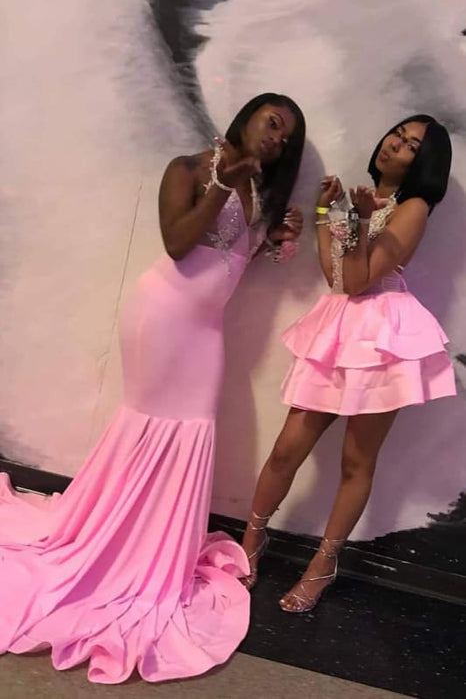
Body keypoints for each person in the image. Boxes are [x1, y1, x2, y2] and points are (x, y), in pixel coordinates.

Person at [0, 93, 305, 681]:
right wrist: (222, 183)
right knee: (149, 427)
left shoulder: (257, 190)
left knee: (192, 432)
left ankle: (151, 550)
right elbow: (178, 243)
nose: (277, 138)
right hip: (161, 318)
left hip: (205, 330)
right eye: (273, 123)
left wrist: (274, 237)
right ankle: (112, 544)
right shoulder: (188, 168)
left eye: (286, 137)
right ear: (247, 118)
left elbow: (230, 259)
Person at [241, 115, 455, 613]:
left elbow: (360, 281)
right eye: (397, 134)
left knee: (356, 462)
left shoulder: (414, 208)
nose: (395, 145)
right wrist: (325, 211)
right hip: (338, 328)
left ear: (424, 162)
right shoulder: (361, 199)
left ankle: (323, 565)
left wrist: (356, 222)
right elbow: (335, 277)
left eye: (410, 145)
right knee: (285, 451)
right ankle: (252, 539)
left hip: (383, 337)